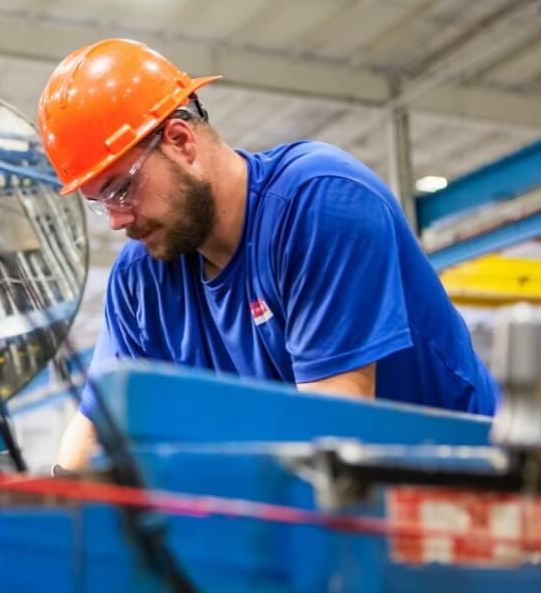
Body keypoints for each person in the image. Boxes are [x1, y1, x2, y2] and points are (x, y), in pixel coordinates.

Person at [36, 39, 499, 471]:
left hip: (461, 489)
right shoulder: (142, 279)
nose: (117, 220)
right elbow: (97, 427)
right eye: (101, 203)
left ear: (181, 142)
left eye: (121, 188)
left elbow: (334, 433)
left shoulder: (320, 203)